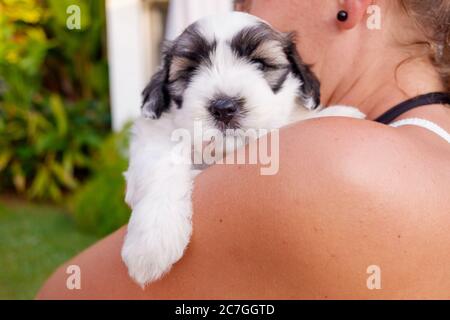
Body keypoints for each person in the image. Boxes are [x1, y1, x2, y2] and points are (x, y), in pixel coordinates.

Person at [37, 0, 450, 299]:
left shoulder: (330, 157)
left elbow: (62, 293)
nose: (238, 6)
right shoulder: (427, 145)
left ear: (348, 5)